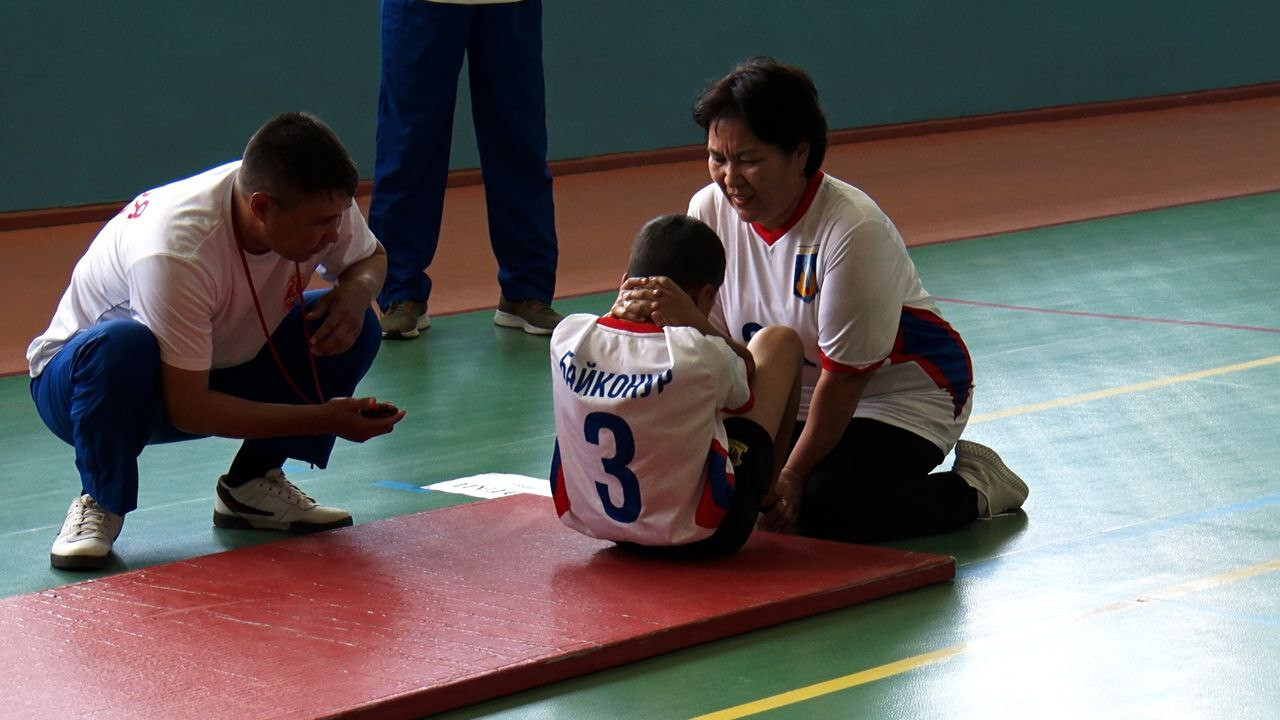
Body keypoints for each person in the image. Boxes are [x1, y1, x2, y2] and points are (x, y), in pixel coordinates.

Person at [614, 58, 1028, 543]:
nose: (730, 178)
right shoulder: (706, 211)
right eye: (717, 158)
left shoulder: (852, 228)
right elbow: (723, 360)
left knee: (824, 507)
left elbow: (844, 383)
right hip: (788, 388)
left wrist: (791, 476)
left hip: (898, 397)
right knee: (707, 480)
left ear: (800, 153)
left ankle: (975, 487)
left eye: (749, 159)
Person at [28, 112, 406, 571]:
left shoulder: (317, 198)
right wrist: (321, 418)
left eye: (338, 218)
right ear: (262, 207)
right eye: (320, 224)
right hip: (84, 386)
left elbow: (371, 257)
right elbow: (190, 408)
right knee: (121, 345)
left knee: (352, 323)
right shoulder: (177, 249)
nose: (333, 235)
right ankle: (101, 499)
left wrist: (358, 289)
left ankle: (251, 486)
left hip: (212, 360)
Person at [550, 214, 804, 558]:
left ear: (624, 282)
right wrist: (699, 325)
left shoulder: (567, 336)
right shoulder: (701, 354)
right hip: (706, 536)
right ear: (706, 295)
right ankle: (768, 495)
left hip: (605, 526)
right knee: (779, 343)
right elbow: (749, 375)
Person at [372, 0, 563, 339]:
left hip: (509, 5)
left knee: (520, 137)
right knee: (408, 142)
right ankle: (400, 294)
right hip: (420, 6)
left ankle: (526, 290)